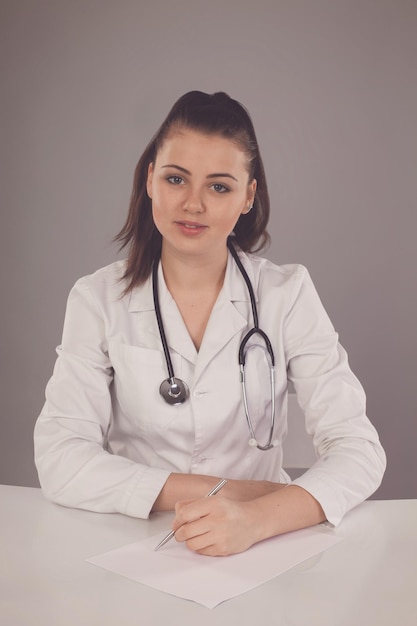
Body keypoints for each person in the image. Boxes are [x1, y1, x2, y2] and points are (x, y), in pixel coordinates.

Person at [34, 90, 386, 556]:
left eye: (219, 186)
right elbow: (60, 458)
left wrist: (257, 519)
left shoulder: (287, 294)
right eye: (177, 179)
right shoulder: (97, 299)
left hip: (264, 542)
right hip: (135, 541)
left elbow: (359, 449)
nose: (193, 204)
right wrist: (228, 491)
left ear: (248, 196)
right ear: (150, 181)